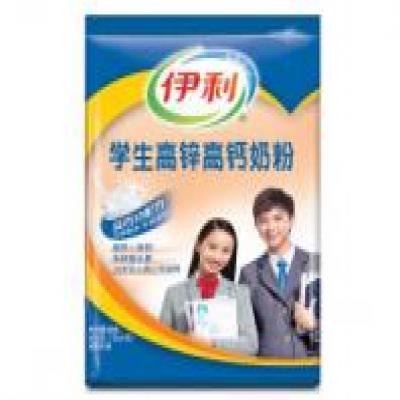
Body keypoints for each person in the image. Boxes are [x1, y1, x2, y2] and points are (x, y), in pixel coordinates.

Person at [239, 188, 320, 358]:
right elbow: (245, 331)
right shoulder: (248, 273)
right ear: (256, 226)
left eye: (278, 218)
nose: (271, 227)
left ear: (291, 220)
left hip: (309, 365)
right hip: (267, 368)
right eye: (263, 221)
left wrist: (315, 325)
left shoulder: (318, 264)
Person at [160, 218, 258, 355]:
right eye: (212, 247)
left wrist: (212, 343)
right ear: (198, 245)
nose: (217, 257)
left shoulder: (240, 293)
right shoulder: (174, 294)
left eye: (226, 251)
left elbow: (251, 345)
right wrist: (184, 342)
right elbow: (160, 344)